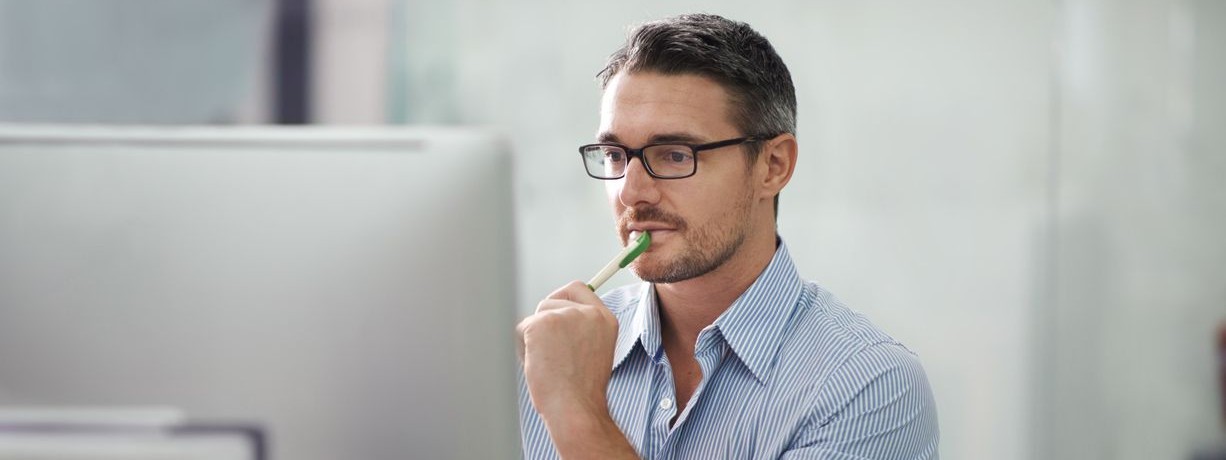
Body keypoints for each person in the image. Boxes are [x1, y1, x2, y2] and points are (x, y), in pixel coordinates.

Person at [516, 13, 939, 459]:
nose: (631, 192)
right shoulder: (545, 355)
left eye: (676, 155)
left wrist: (578, 414)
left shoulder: (868, 387)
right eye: (616, 155)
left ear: (773, 166)